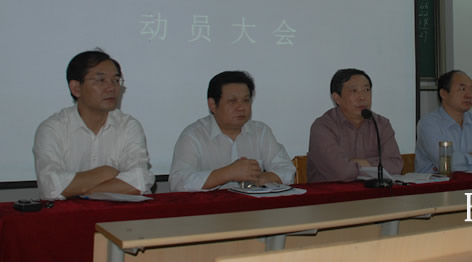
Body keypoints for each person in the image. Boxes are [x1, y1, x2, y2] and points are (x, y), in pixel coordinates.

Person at [33, 50, 155, 200]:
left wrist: (80, 191)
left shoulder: (128, 126)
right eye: (101, 80)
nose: (111, 88)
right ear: (76, 88)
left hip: (117, 214)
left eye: (116, 80)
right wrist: (105, 172)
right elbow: (50, 186)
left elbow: (140, 180)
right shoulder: (52, 129)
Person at [169, 71, 295, 191]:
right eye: (232, 101)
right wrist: (228, 173)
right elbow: (179, 182)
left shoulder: (261, 132)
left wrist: (261, 178)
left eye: (246, 100)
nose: (241, 107)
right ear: (212, 104)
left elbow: (287, 171)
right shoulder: (193, 135)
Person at [307, 68, 402, 182]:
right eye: (354, 91)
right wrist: (373, 166)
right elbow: (342, 172)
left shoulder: (381, 124)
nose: (362, 97)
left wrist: (360, 163)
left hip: (374, 191)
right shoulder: (323, 127)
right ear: (337, 98)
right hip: (331, 192)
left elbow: (396, 165)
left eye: (367, 90)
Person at [415, 70, 472, 173]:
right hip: (437, 183)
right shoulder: (428, 124)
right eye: (462, 89)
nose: (469, 95)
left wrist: (466, 162)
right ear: (444, 94)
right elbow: (448, 165)